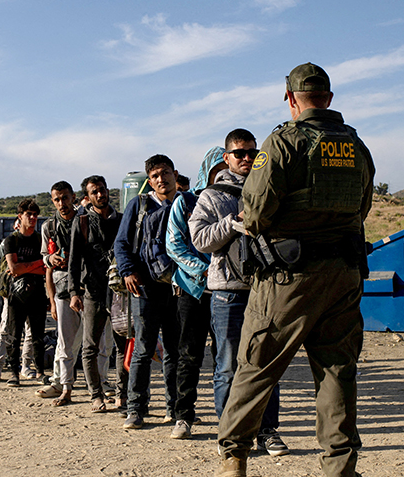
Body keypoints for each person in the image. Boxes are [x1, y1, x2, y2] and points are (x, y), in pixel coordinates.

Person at [213, 63, 374, 477]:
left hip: (288, 277)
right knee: (337, 369)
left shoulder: (282, 142)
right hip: (343, 273)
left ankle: (235, 457)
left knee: (257, 363)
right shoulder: (356, 146)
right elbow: (361, 208)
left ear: (290, 98)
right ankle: (341, 471)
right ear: (329, 97)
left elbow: (259, 210)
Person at [191, 129, 289, 456]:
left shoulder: (269, 187)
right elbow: (201, 239)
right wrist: (234, 222)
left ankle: (268, 431)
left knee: (267, 363)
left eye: (251, 152)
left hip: (266, 288)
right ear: (226, 158)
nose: (246, 158)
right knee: (228, 366)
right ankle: (230, 434)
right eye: (239, 153)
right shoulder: (212, 196)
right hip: (228, 293)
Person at [113, 154, 181, 429]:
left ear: (175, 174)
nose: (161, 179)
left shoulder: (187, 203)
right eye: (154, 176)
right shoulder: (139, 205)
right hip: (146, 289)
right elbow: (121, 243)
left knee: (176, 351)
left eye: (165, 172)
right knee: (143, 350)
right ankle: (136, 408)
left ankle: (174, 408)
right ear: (149, 181)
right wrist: (128, 271)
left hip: (180, 289)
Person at [162, 148, 220, 439]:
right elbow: (174, 245)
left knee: (226, 356)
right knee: (189, 353)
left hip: (228, 291)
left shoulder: (236, 198)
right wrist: (205, 271)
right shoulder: (185, 202)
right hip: (193, 289)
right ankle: (183, 415)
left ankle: (230, 416)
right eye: (217, 168)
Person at [68, 175, 125, 413]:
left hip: (120, 293)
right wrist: (74, 291)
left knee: (123, 345)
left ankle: (122, 395)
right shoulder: (81, 222)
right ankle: (95, 395)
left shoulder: (122, 220)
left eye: (102, 190)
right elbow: (73, 261)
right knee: (90, 346)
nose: (100, 195)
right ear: (88, 197)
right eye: (94, 192)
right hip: (92, 292)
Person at [41, 181, 81, 406]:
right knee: (65, 342)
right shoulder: (49, 226)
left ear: (73, 197)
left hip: (86, 287)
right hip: (63, 288)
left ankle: (102, 384)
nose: (61, 203)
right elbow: (44, 259)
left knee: (93, 342)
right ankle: (63, 385)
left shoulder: (85, 221)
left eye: (65, 198)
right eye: (57, 199)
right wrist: (51, 259)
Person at [2, 199, 48, 387]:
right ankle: (14, 373)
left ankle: (39, 372)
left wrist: (26, 267)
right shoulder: (11, 240)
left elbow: (47, 268)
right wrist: (39, 263)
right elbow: (13, 269)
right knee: (14, 335)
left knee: (37, 335)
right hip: (16, 295)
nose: (33, 218)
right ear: (20, 217)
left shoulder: (40, 239)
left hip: (37, 293)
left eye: (35, 215)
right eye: (29, 214)